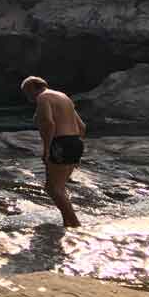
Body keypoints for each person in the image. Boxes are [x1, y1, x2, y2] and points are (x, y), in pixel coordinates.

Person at [21, 76, 87, 228]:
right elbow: (82, 127)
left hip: (60, 143)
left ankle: (76, 225)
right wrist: (75, 147)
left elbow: (48, 124)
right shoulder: (63, 97)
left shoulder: (43, 98)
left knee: (52, 188)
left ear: (32, 88)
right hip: (75, 142)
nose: (27, 96)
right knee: (59, 187)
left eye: (26, 92)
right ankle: (67, 223)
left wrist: (46, 149)